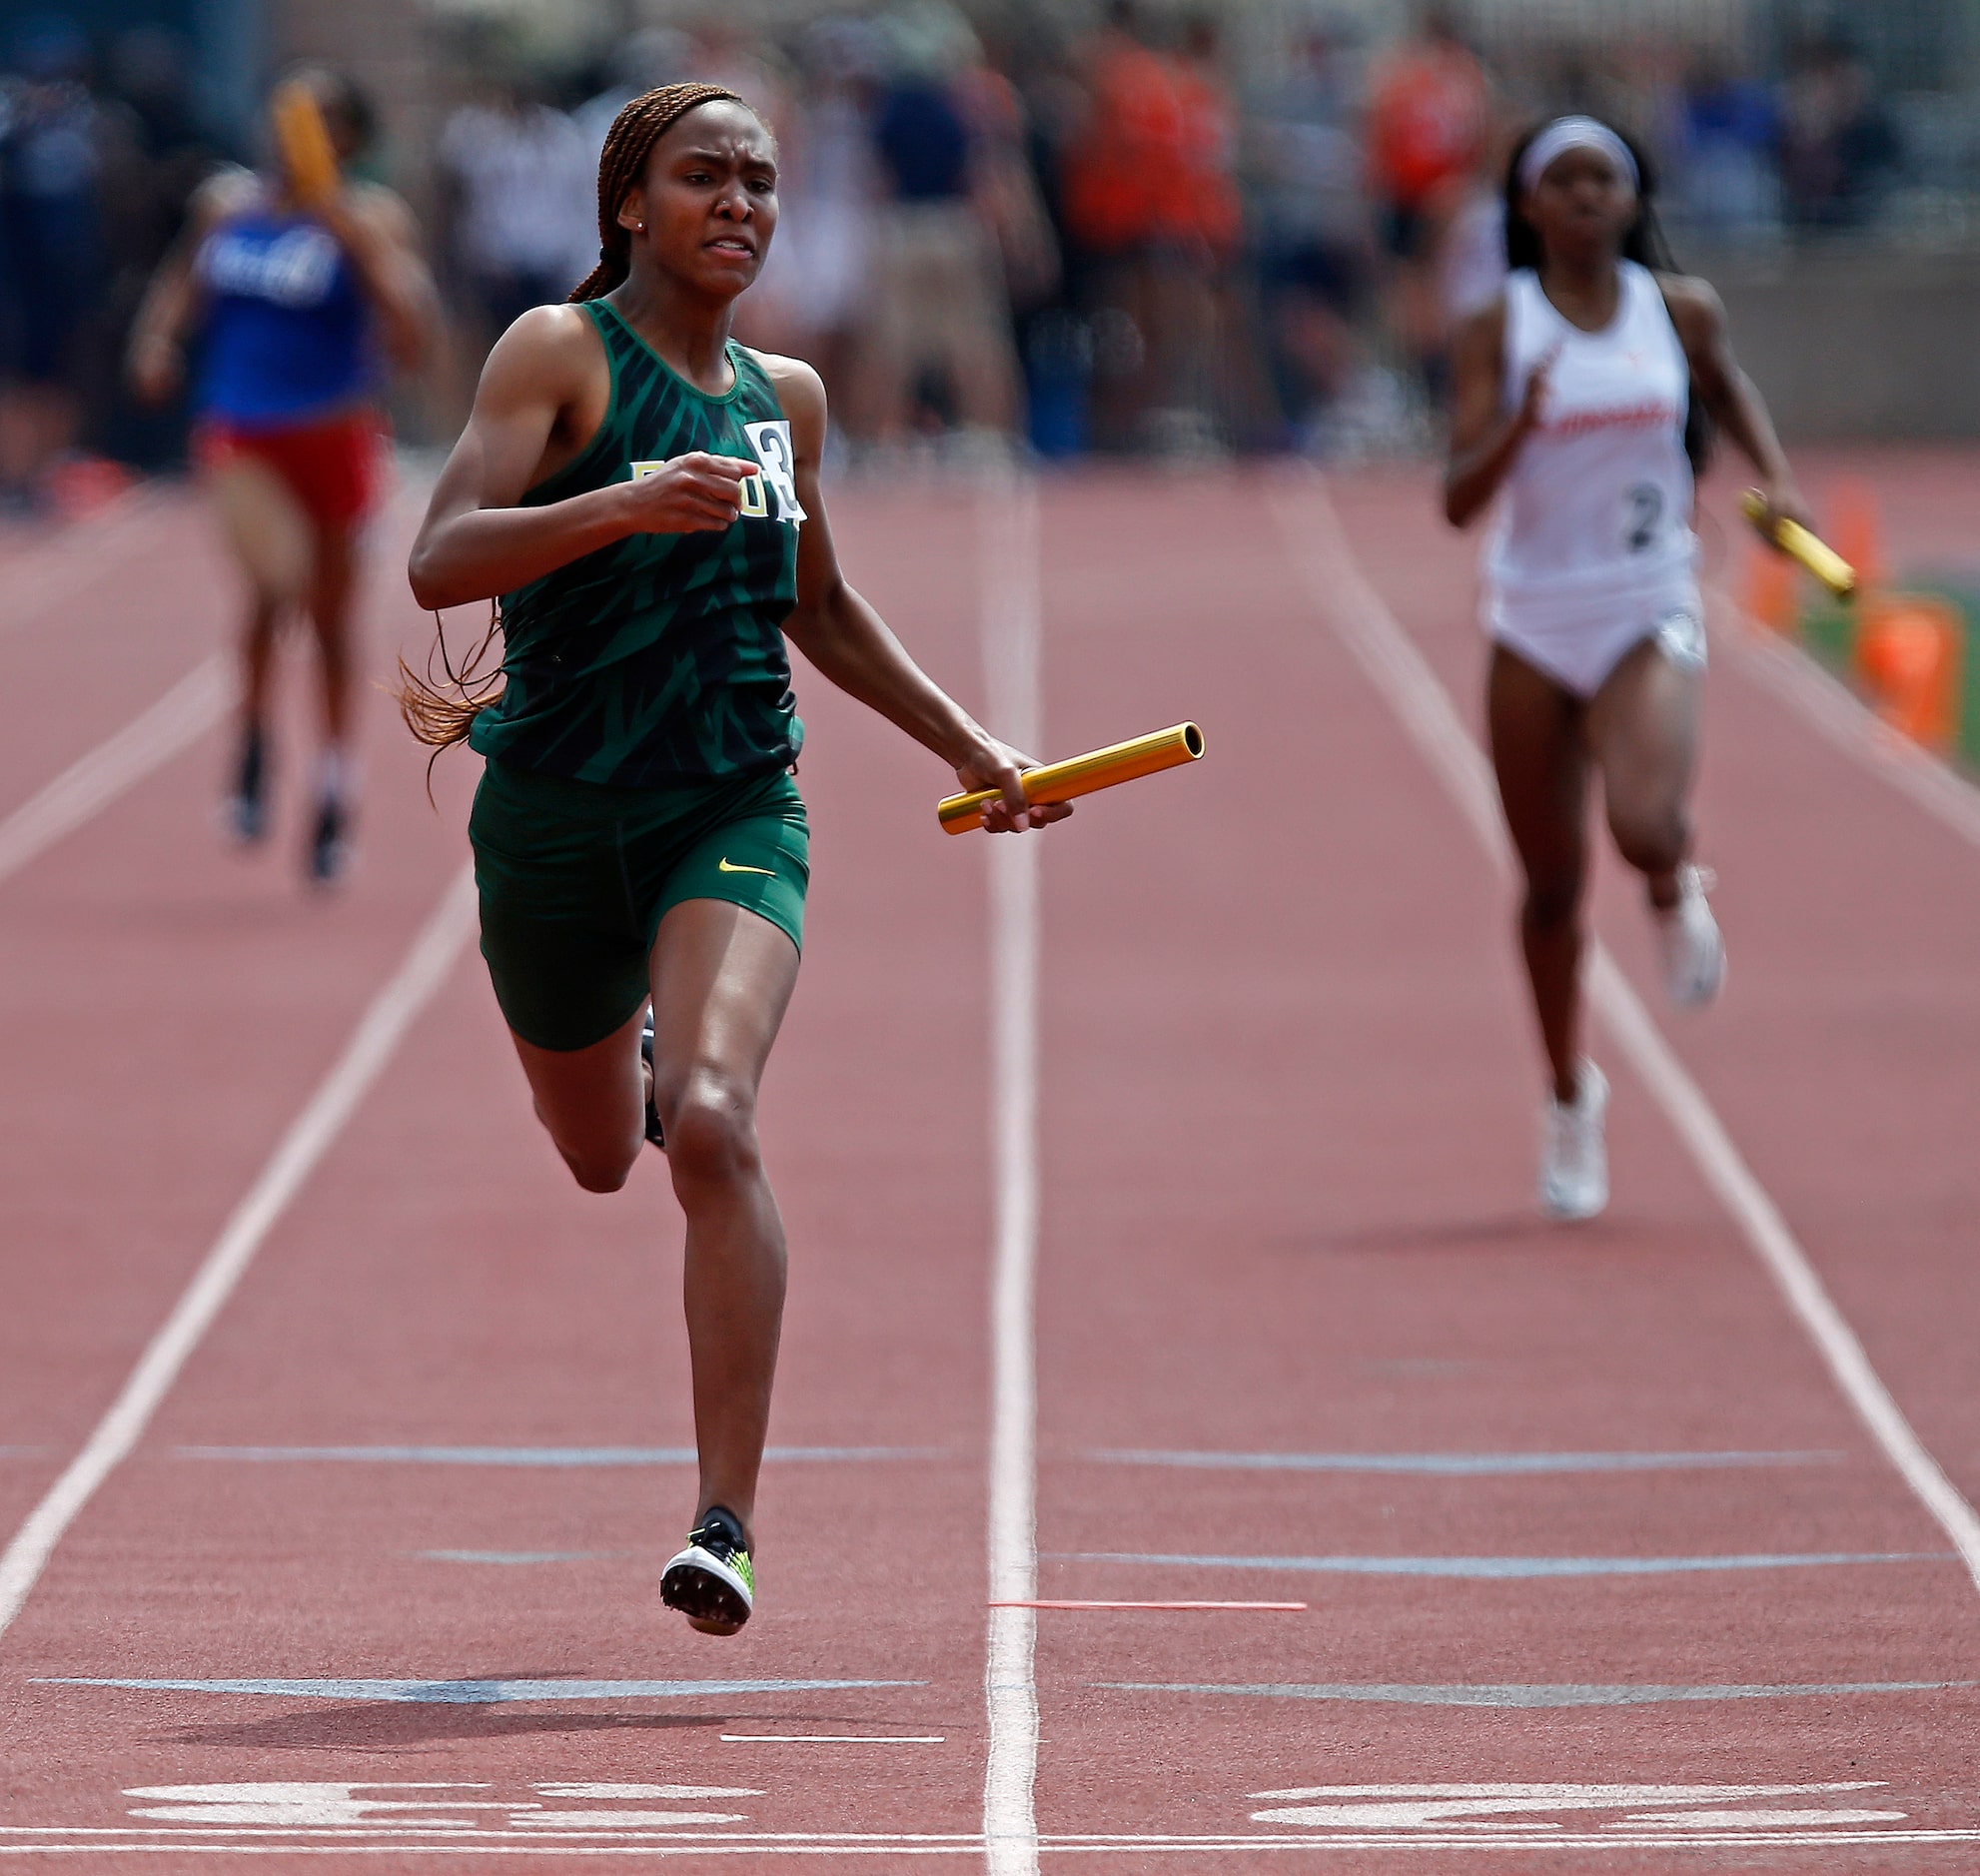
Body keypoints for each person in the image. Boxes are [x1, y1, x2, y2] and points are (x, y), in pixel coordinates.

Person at [401, 83, 1065, 1634]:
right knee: (594, 1153)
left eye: (763, 180)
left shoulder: (789, 397)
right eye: (705, 175)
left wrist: (973, 745)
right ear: (630, 202)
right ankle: (629, 1037)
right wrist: (621, 503)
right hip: (557, 817)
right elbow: (438, 556)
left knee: (708, 1123)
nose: (741, 203)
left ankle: (725, 1520)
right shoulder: (556, 355)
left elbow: (816, 606)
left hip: (731, 804)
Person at [1442, 116, 1810, 1221]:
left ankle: (1667, 881)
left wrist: (1775, 477)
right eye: (1562, 180)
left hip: (1646, 601)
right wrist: (1521, 423)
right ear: (1526, 208)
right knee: (1549, 889)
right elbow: (1456, 497)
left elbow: (1727, 383)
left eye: (1603, 176)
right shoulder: (1493, 327)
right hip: (1531, 619)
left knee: (1643, 823)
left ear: (1630, 196)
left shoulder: (1677, 307)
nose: (1586, 194)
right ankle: (1568, 1096)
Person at [128, 67, 438, 884]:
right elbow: (178, 286)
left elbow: (415, 330)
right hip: (242, 433)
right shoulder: (226, 208)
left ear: (349, 137)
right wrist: (157, 341)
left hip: (331, 432)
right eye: (287, 111)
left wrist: (354, 236)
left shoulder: (366, 217)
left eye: (321, 116)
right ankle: (256, 741)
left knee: (331, 620)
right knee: (270, 588)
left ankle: (335, 785)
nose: (294, 127)